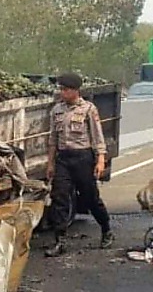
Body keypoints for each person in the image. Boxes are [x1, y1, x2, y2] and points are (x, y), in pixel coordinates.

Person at [46, 72, 114, 257]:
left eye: (66, 89)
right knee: (59, 198)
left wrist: (100, 160)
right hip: (63, 159)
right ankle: (60, 240)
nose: (62, 93)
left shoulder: (88, 109)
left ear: (75, 91)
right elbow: (53, 138)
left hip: (83, 158)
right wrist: (51, 163)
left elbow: (97, 137)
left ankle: (106, 229)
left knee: (90, 198)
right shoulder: (57, 110)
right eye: (61, 89)